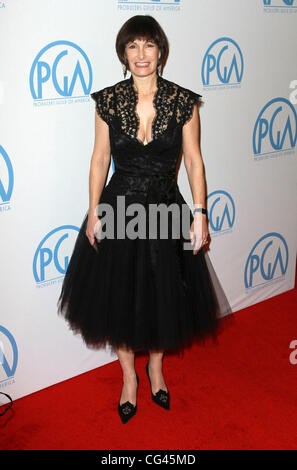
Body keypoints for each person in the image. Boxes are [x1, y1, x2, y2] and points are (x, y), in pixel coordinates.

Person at [57, 15, 232, 424]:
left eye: (148, 45)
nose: (141, 54)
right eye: (132, 46)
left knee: (162, 295)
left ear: (161, 51)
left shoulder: (183, 102)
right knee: (118, 296)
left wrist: (201, 212)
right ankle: (128, 378)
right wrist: (95, 209)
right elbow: (100, 159)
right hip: (120, 209)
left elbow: (194, 161)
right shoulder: (108, 101)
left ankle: (154, 368)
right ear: (123, 53)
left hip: (166, 209)